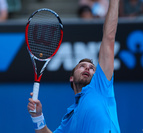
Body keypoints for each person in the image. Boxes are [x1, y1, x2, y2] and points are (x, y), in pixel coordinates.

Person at [27, 0, 120, 132]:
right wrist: (37, 116)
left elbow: (109, 37)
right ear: (71, 78)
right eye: (82, 66)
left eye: (92, 68)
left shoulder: (100, 86)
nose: (88, 68)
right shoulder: (69, 118)